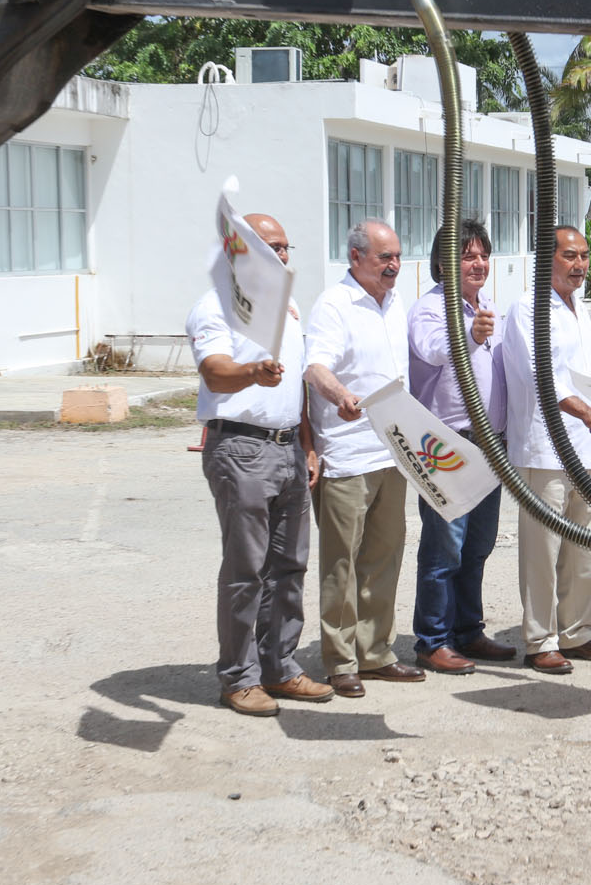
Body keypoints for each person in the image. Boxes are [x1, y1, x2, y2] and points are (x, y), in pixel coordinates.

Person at [186, 212, 335, 716]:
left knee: (288, 566)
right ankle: (238, 677)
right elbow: (215, 372)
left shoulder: (287, 309)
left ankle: (279, 667)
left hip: (289, 446)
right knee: (246, 570)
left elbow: (296, 387)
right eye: (271, 246)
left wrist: (308, 445)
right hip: (242, 450)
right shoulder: (216, 306)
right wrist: (252, 371)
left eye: (287, 247)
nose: (282, 256)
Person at [304, 219, 421, 697]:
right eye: (383, 258)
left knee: (384, 555)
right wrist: (341, 395)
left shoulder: (396, 304)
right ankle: (340, 659)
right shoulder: (334, 305)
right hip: (348, 455)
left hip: (391, 451)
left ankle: (375, 653)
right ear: (356, 258)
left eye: (396, 256)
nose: (393, 266)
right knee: (342, 564)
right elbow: (315, 367)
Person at [501, 225, 591, 672]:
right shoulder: (527, 309)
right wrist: (587, 416)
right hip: (544, 449)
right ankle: (540, 639)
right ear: (545, 260)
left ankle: (578, 632)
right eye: (569, 256)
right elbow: (543, 378)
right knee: (543, 552)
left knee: (584, 551)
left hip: (584, 449)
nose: (579, 265)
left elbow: (587, 381)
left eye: (584, 256)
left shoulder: (580, 310)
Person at [405, 219, 515, 674]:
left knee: (479, 543)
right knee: (444, 545)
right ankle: (432, 638)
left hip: (490, 444)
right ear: (441, 263)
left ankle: (468, 629)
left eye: (483, 255)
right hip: (445, 443)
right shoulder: (430, 309)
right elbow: (430, 350)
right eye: (468, 255)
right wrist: (469, 334)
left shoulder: (486, 305)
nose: (478, 263)